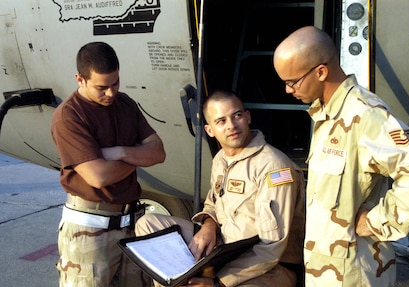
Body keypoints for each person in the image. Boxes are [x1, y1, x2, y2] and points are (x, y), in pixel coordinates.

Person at [273, 26, 409, 286]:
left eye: (292, 82)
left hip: (354, 275)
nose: (288, 90)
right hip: (326, 270)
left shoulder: (365, 115)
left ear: (321, 71)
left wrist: (377, 222)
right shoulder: (326, 113)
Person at [135, 90, 305, 287]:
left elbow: (271, 248)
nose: (231, 126)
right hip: (222, 251)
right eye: (221, 121)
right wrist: (209, 224)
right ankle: (176, 280)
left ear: (248, 117)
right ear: (209, 130)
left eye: (237, 116)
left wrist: (218, 283)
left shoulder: (274, 167)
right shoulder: (221, 159)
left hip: (266, 267)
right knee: (148, 223)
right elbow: (212, 203)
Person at [51, 41, 166, 287]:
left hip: (130, 227)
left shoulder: (125, 104)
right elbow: (98, 176)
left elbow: (158, 152)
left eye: (115, 83)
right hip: (89, 234)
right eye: (102, 87)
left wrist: (120, 152)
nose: (111, 93)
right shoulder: (69, 116)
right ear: (80, 79)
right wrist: (137, 157)